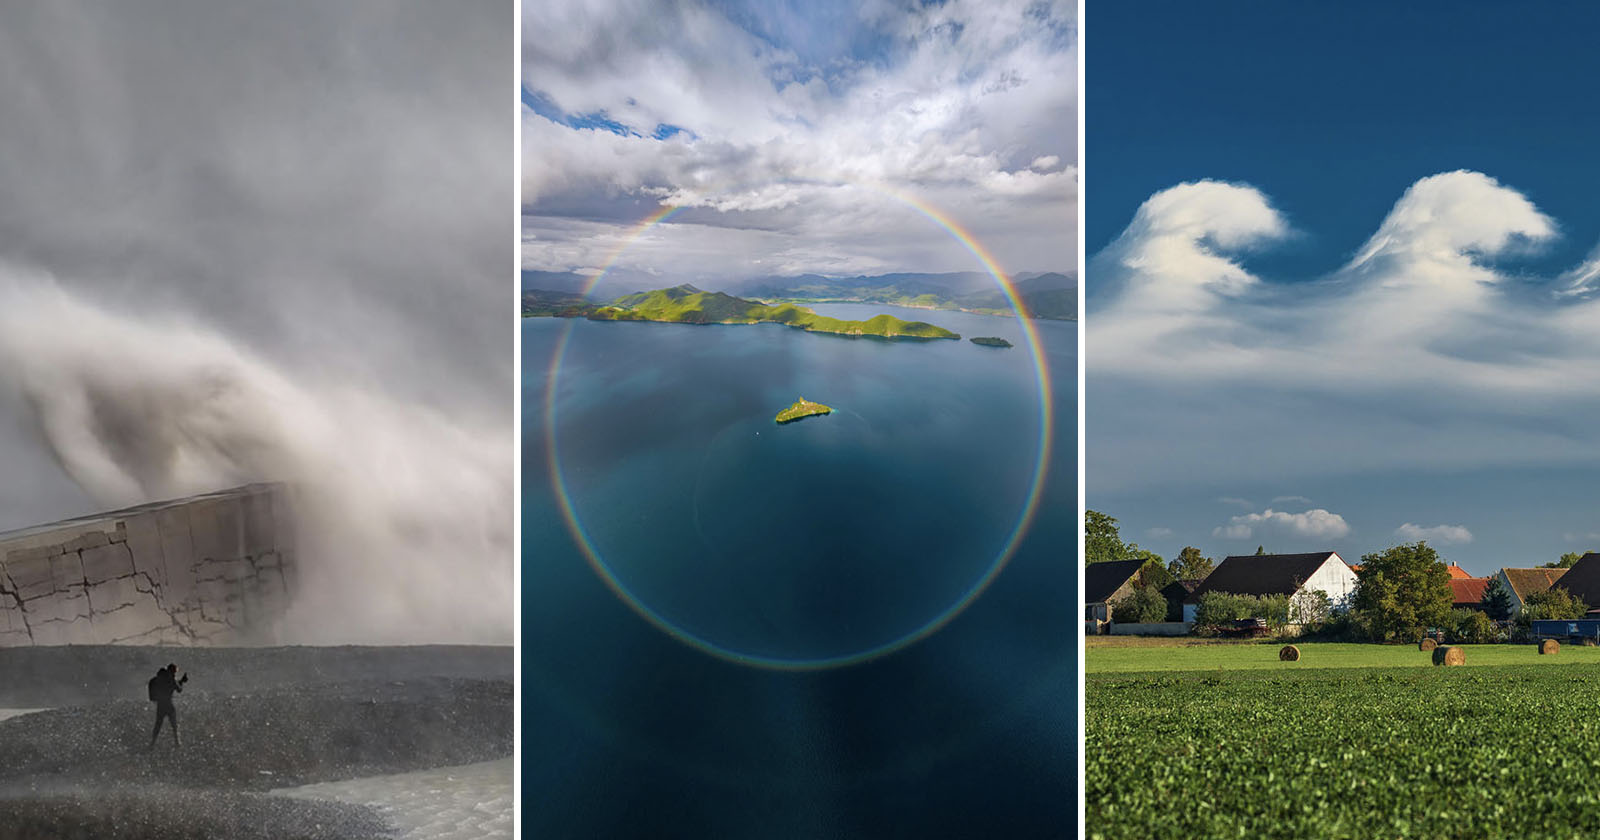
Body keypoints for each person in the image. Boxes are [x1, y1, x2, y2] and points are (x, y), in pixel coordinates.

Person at [147, 663, 187, 749]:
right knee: (174, 725)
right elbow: (179, 689)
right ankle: (177, 743)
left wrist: (179, 681)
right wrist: (182, 682)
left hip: (160, 705)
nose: (174, 674)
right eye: (174, 672)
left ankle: (152, 743)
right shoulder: (171, 679)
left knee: (158, 724)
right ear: (171, 671)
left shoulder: (157, 679)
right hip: (169, 704)